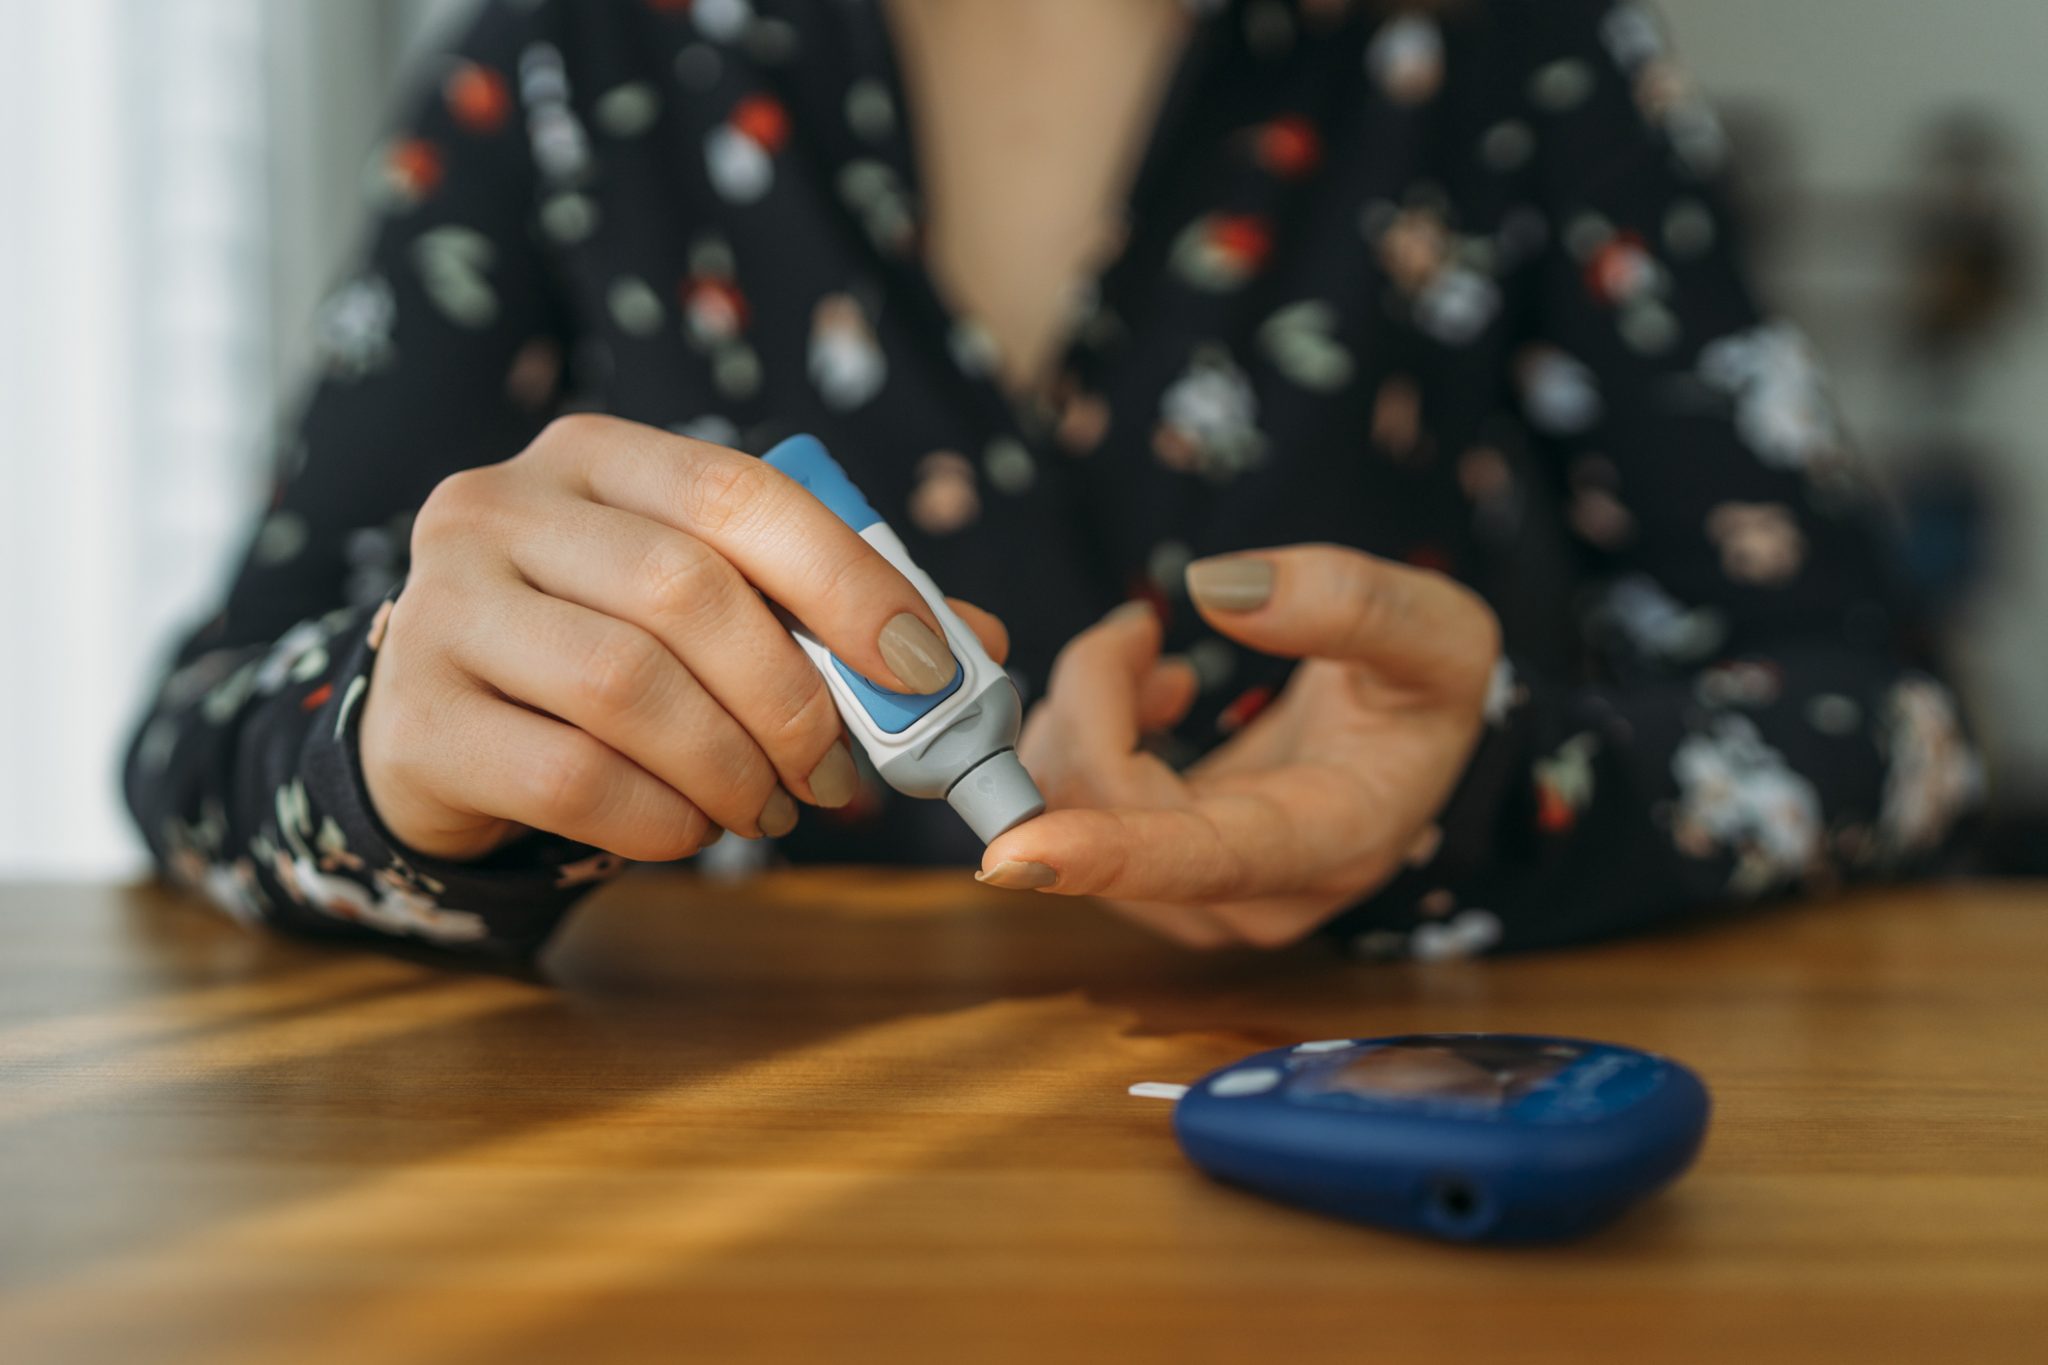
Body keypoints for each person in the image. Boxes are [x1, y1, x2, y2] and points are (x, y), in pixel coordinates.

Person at [122, 0, 1982, 961]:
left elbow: (1883, 722)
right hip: (733, 1222)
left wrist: (1481, 799)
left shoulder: (1507, 55)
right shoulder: (577, 60)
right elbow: (201, 740)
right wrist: (405, 761)